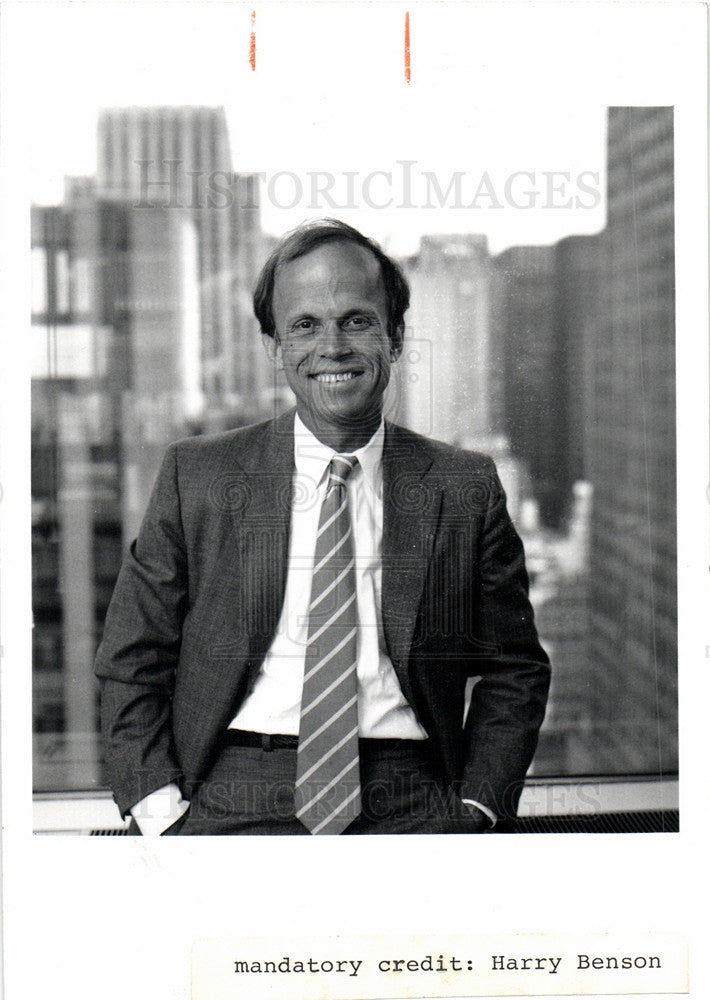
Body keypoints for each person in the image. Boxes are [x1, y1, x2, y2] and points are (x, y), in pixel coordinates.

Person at [95, 218, 550, 836]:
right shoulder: (197, 475)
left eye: (357, 320)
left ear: (394, 337)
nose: (332, 346)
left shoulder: (462, 486)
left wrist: (476, 809)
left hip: (413, 795)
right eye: (305, 325)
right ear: (274, 348)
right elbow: (132, 657)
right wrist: (160, 813)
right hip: (230, 790)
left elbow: (514, 668)